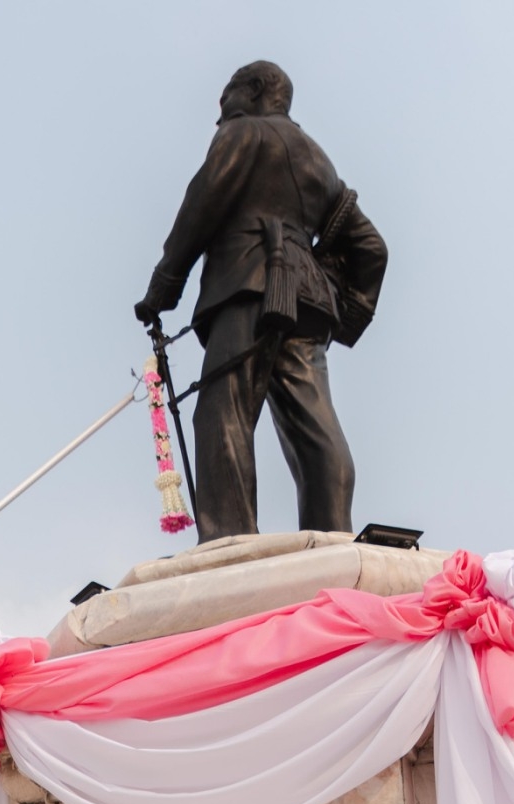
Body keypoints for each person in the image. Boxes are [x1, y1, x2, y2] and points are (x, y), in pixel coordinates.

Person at [134, 60, 388, 542]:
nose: (219, 114)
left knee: (222, 412)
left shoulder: (242, 134)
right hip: (308, 304)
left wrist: (162, 288)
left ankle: (229, 542)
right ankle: (332, 537)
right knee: (313, 422)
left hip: (246, 287)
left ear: (252, 91)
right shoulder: (318, 158)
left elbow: (201, 205)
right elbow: (372, 247)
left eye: (225, 97)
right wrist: (342, 308)